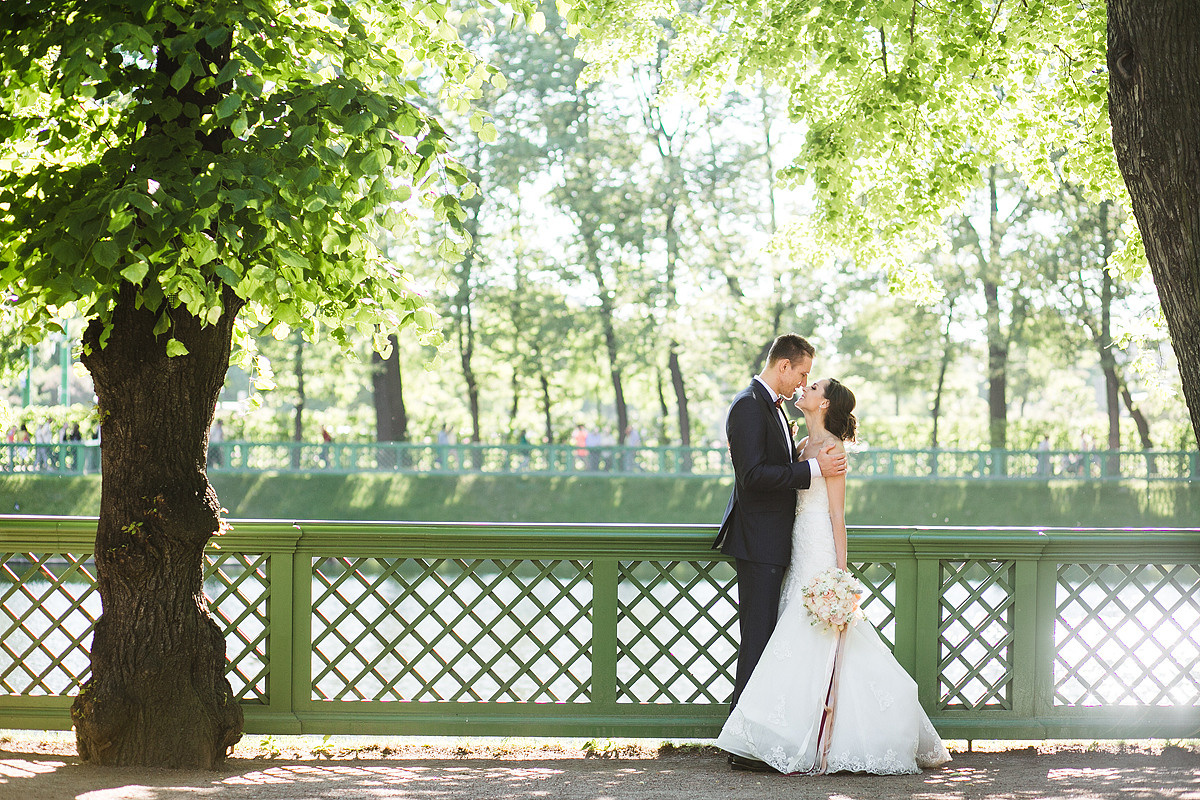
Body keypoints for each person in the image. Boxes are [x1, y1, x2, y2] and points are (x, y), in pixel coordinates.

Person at [716, 377, 951, 775]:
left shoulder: (832, 449)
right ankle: (786, 735)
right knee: (794, 636)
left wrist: (841, 573)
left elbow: (838, 515)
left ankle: (827, 738)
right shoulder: (802, 446)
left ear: (824, 404)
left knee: (818, 635)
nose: (803, 390)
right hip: (794, 544)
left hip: (820, 546)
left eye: (812, 387)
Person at [713, 333, 847, 773]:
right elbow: (752, 476)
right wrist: (812, 468)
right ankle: (743, 743)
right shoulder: (749, 406)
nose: (802, 383)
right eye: (802, 373)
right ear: (783, 366)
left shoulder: (776, 413)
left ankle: (763, 736)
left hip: (786, 544)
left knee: (771, 642)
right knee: (757, 641)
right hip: (760, 544)